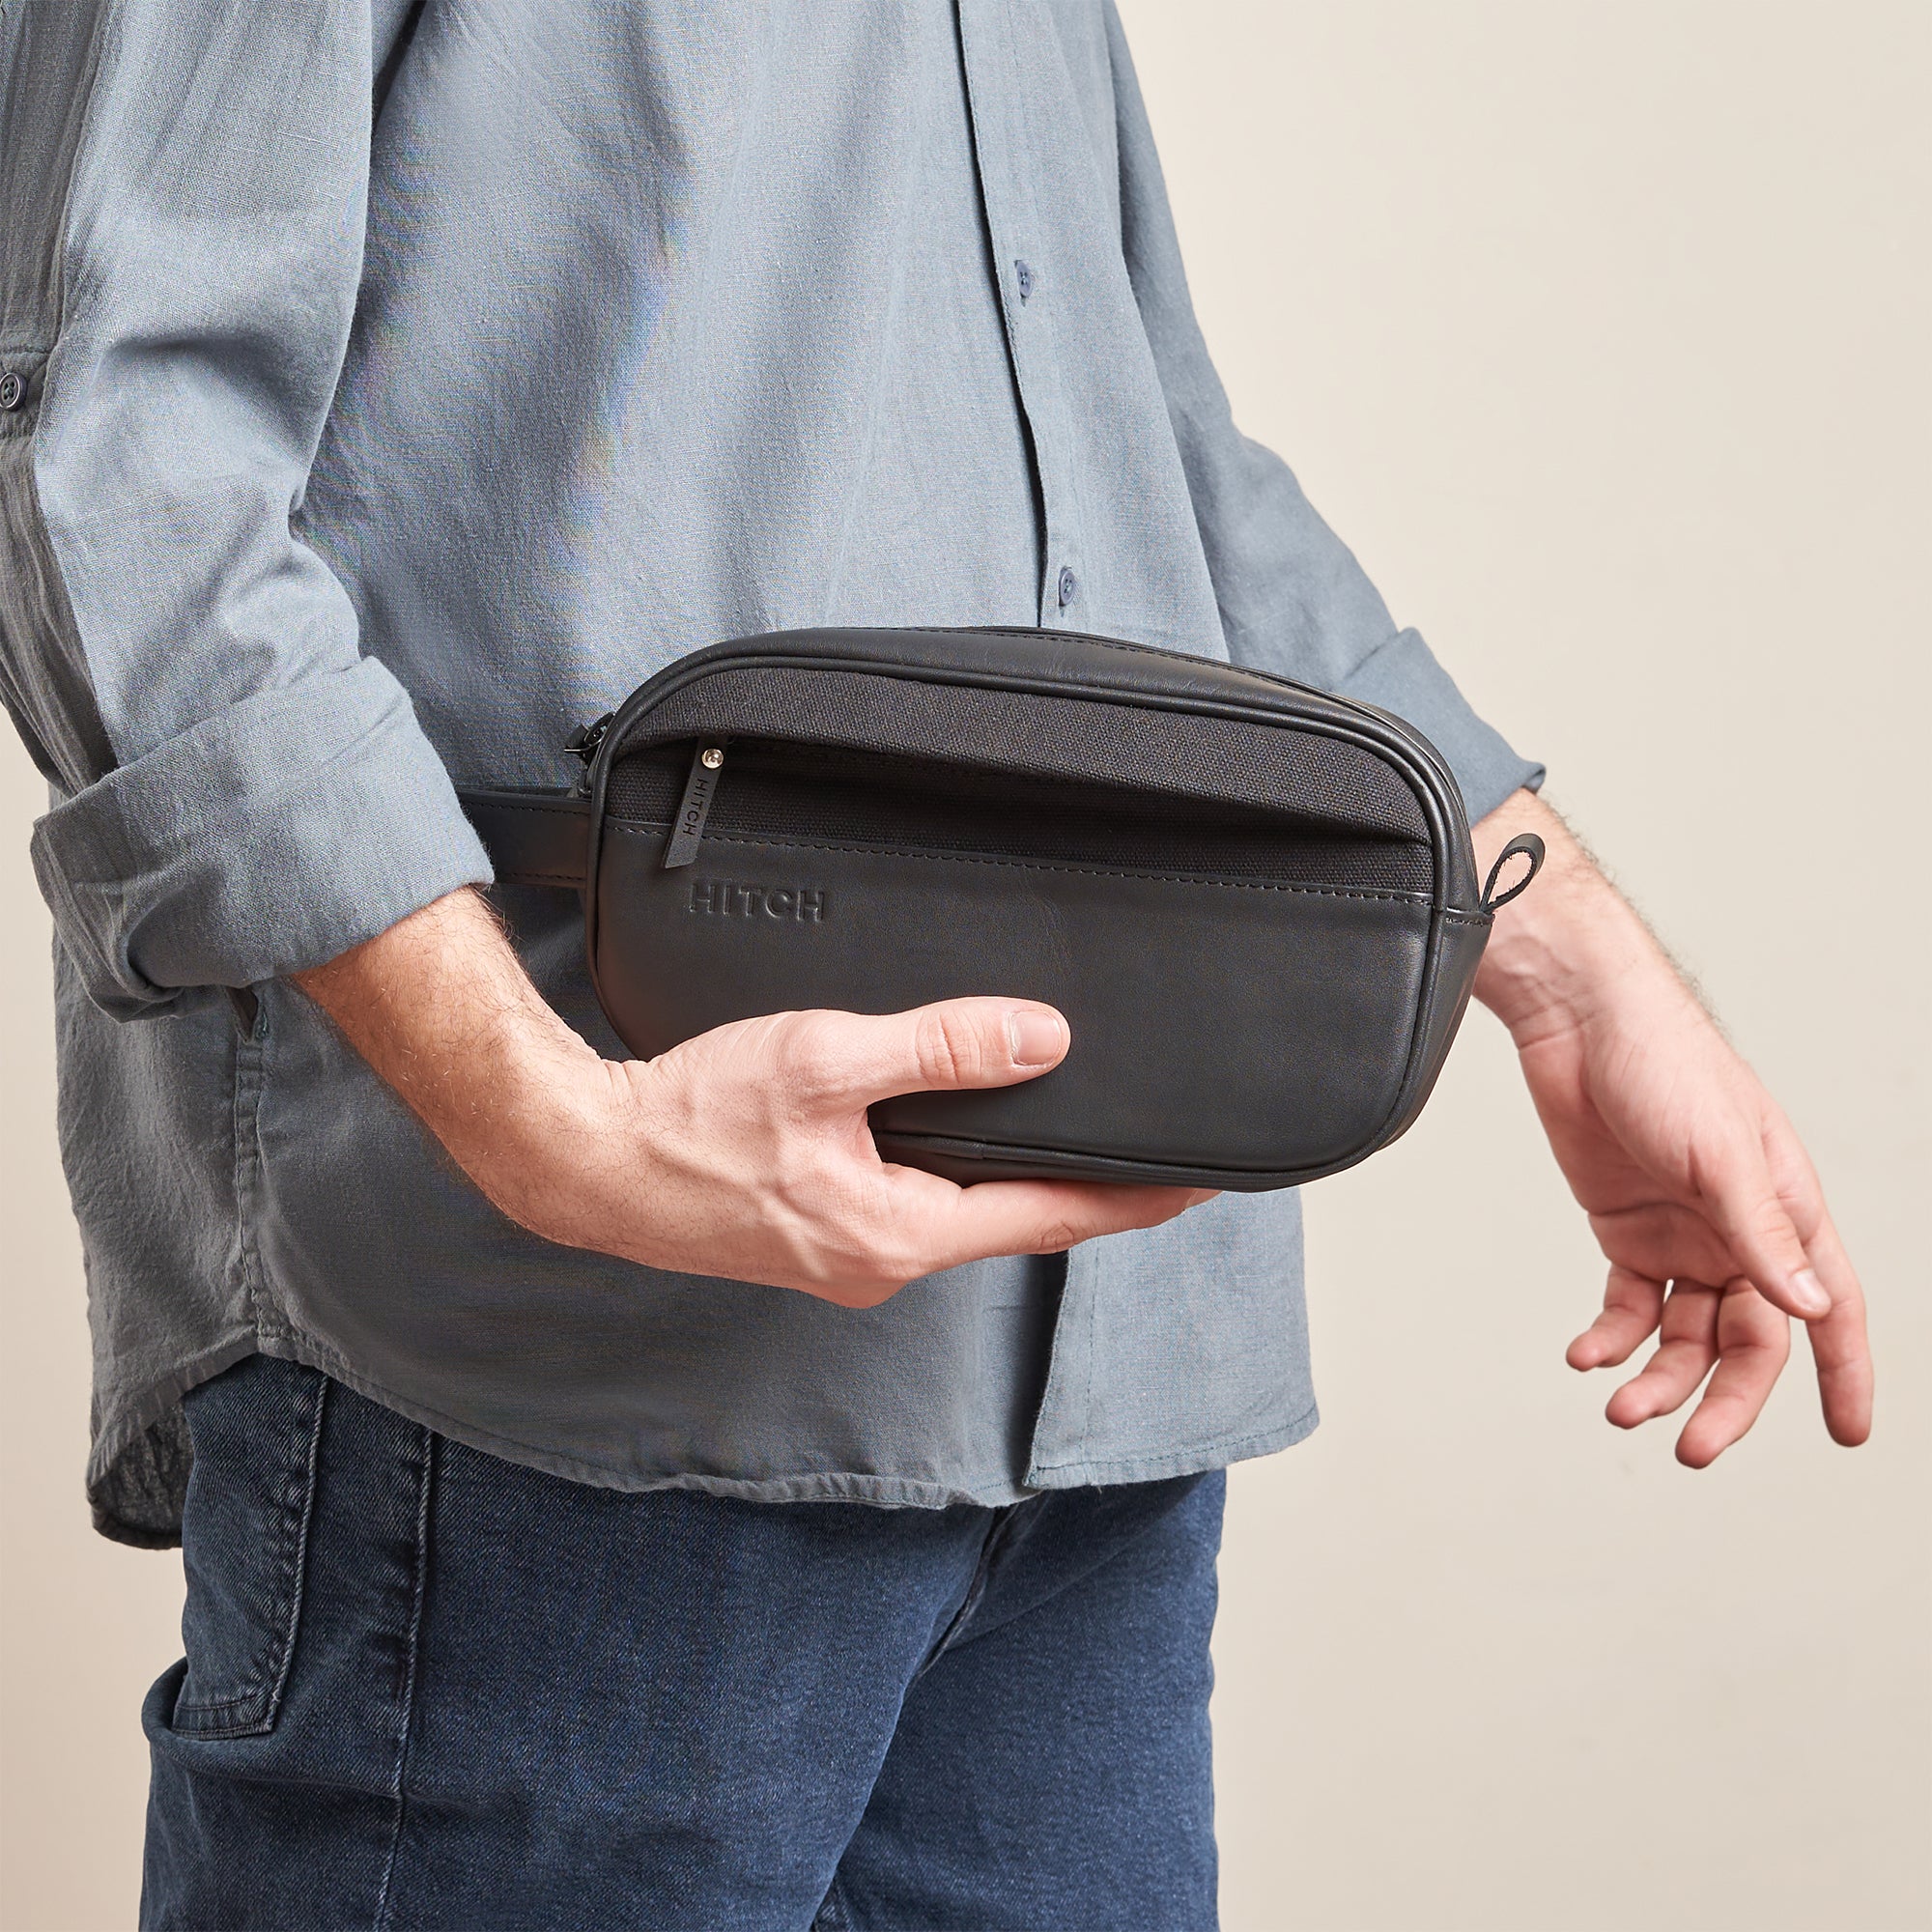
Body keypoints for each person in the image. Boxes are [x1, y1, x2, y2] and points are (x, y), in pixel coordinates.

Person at [0, 4, 1871, 1927]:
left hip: (1087, 1420)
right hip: (551, 1387)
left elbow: (1143, 447)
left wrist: (1568, 967)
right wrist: (547, 1122)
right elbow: (115, 454)